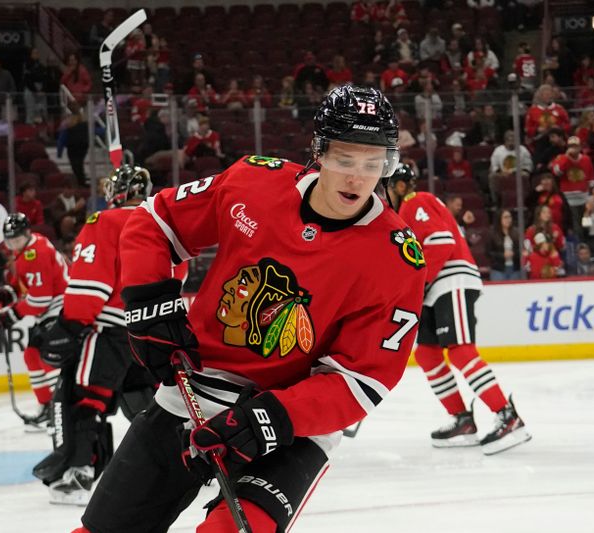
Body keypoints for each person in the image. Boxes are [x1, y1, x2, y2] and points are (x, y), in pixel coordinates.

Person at [75, 85, 427, 533]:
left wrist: (276, 416)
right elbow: (153, 221)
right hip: (194, 387)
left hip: (291, 423)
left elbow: (363, 381)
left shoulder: (396, 259)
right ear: (318, 153)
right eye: (345, 160)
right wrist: (148, 302)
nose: (358, 178)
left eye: (373, 164)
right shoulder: (254, 183)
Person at [32, 166, 159, 505]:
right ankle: (177, 466)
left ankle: (77, 475)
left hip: (110, 331)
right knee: (155, 406)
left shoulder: (104, 222)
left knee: (84, 399)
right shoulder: (163, 220)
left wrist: (70, 324)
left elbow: (92, 282)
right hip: (155, 332)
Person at [397, 164, 531, 455]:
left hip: (450, 279)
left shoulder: (413, 201)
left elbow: (441, 242)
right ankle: (462, 420)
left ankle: (508, 416)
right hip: (436, 286)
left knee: (459, 349)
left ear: (397, 185)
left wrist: (419, 284)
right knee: (427, 353)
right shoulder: (405, 212)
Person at [0, 213, 69, 427]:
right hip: (51, 309)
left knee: (47, 358)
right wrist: (9, 293)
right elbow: (29, 286)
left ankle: (60, 409)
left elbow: (41, 299)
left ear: (26, 233)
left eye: (16, 239)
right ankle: (47, 406)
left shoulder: (35, 253)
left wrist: (13, 313)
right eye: (10, 240)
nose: (13, 244)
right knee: (32, 355)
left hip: (60, 308)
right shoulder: (27, 249)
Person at [489, 130, 533, 205]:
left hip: (519, 174)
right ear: (505, 140)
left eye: (513, 140)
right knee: (492, 176)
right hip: (503, 174)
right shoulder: (498, 150)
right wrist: (500, 172)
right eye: (509, 140)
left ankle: (525, 202)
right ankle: (496, 202)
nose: (511, 142)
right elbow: (494, 165)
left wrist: (521, 171)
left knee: (525, 176)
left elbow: (528, 165)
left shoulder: (523, 150)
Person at [487, 209, 522, 281]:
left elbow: (521, 250)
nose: (508, 219)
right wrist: (502, 255)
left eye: (509, 217)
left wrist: (514, 253)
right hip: (498, 270)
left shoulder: (517, 233)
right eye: (505, 217)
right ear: (500, 219)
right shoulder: (493, 234)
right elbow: (488, 252)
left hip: (515, 269)